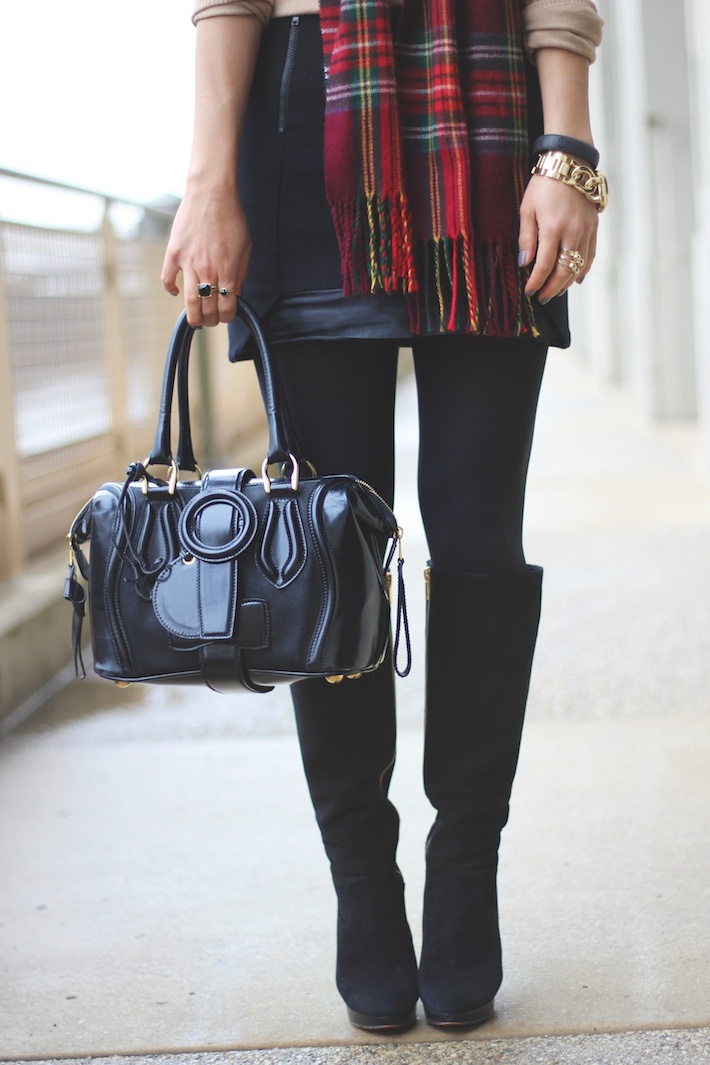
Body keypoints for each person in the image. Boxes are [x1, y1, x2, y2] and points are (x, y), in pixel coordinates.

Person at [162, 0, 604, 1033]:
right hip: (307, 121)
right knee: (325, 552)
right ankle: (362, 884)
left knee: (479, 534)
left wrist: (568, 153)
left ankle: (463, 869)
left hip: (492, 126)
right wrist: (206, 180)